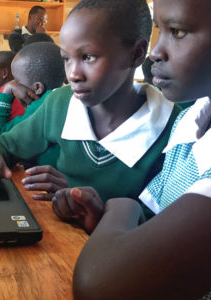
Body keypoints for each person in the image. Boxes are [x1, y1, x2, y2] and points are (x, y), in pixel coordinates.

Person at [51, 0, 211, 298]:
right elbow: (151, 215)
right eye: (159, 30)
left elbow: (99, 285)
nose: (155, 52)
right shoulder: (192, 122)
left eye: (177, 31)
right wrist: (107, 221)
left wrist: (121, 206)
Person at [0, 0, 181, 211]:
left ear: (136, 54)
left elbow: (160, 223)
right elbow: (4, 143)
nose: (73, 74)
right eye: (66, 59)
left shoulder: (174, 129)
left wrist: (92, 206)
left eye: (88, 57)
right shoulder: (61, 102)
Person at [0, 41, 65, 141]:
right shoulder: (61, 101)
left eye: (16, 81)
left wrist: (6, 92)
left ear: (37, 88)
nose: (12, 83)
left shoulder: (36, 112)